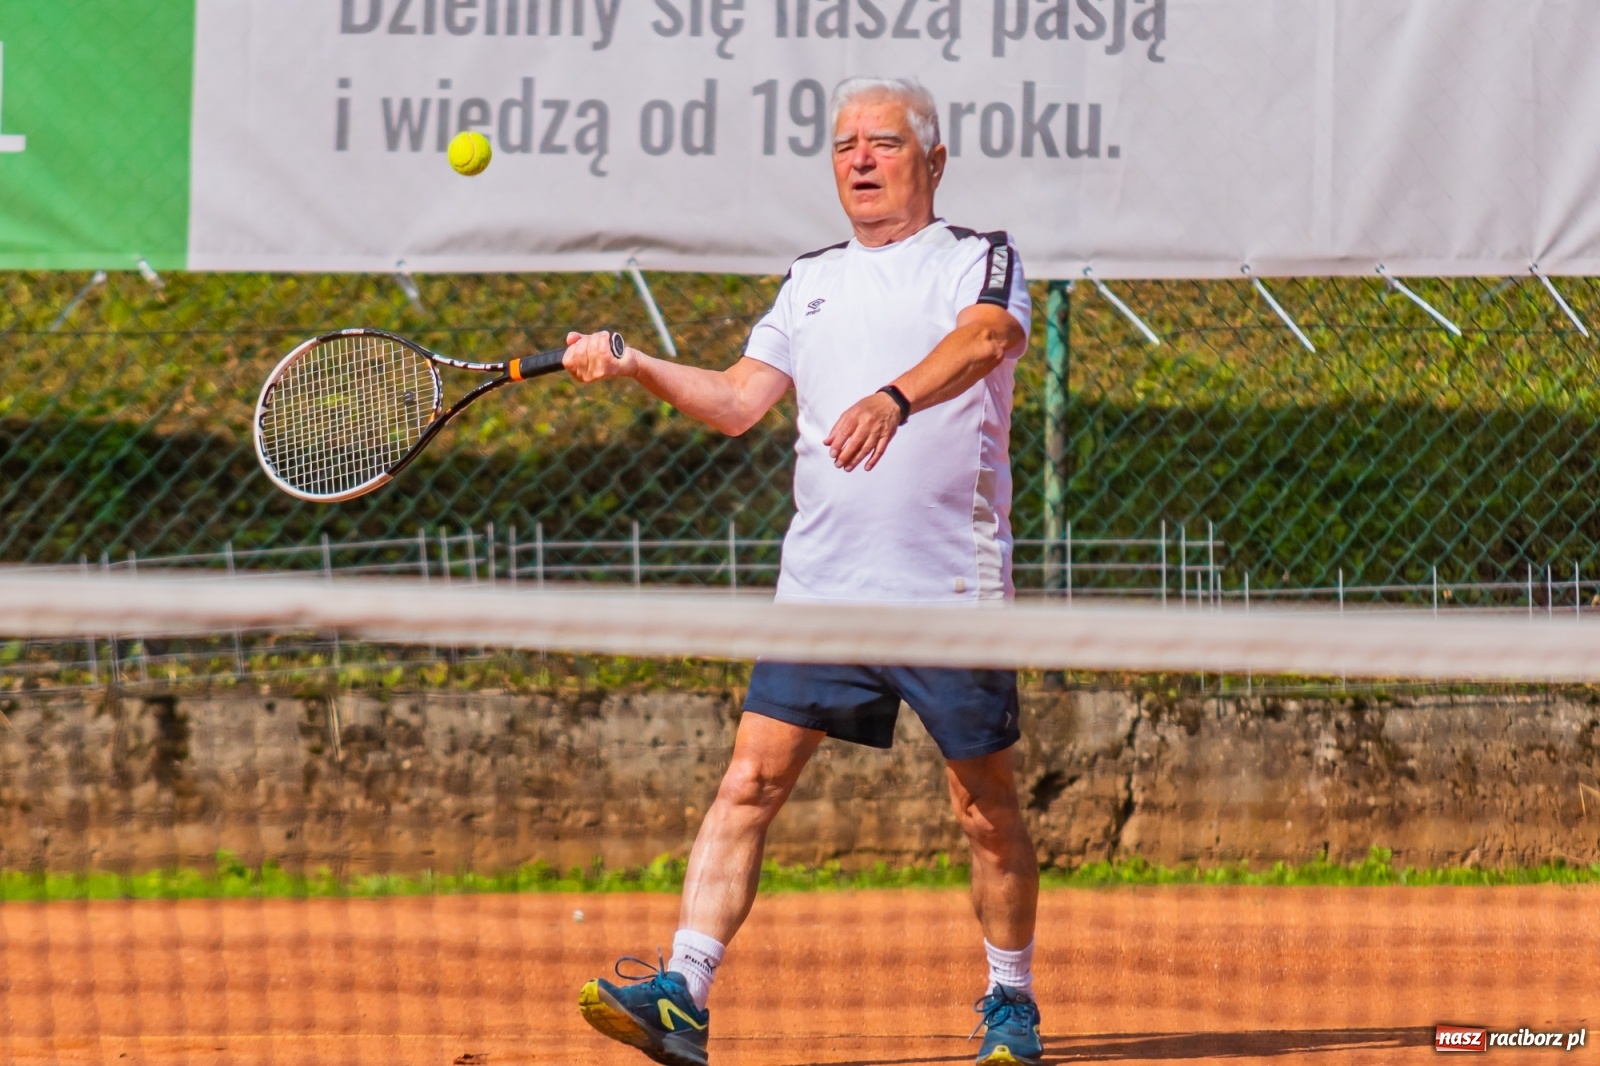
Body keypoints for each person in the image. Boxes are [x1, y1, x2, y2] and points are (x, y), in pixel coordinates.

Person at [561, 76, 1041, 1066]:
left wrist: (892, 399)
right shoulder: (809, 279)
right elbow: (740, 401)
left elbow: (987, 339)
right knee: (749, 782)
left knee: (983, 807)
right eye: (842, 146)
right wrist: (638, 363)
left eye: (883, 142)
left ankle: (1009, 1002)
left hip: (948, 596)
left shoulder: (975, 261)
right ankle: (682, 994)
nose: (859, 160)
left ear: (932, 160)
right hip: (821, 593)